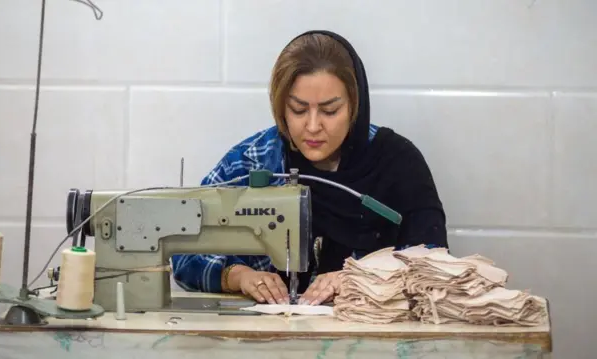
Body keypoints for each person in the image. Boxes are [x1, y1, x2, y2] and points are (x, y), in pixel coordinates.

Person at [171, 30, 448, 307]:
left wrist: (360, 278)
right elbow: (182, 252)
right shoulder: (253, 161)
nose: (313, 126)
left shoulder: (397, 162)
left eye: (329, 111)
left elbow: (435, 261)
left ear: (355, 106)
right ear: (280, 107)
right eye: (298, 109)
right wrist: (238, 276)